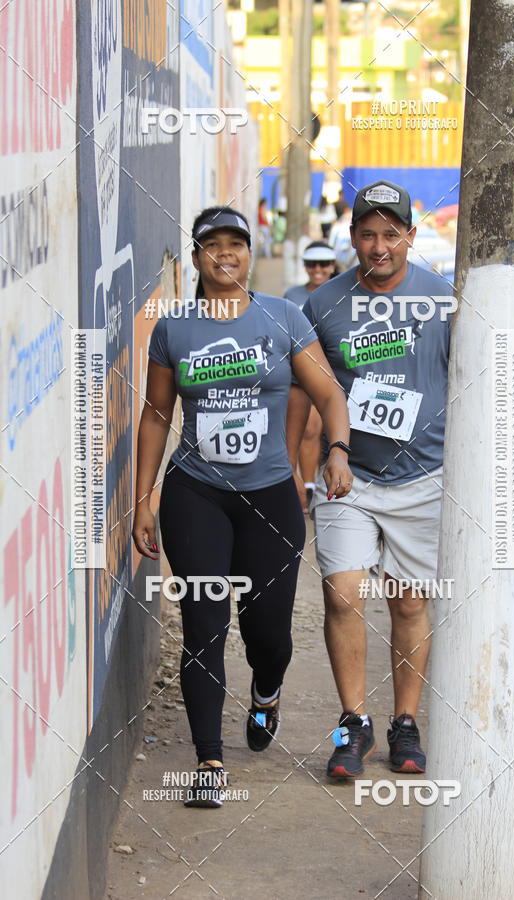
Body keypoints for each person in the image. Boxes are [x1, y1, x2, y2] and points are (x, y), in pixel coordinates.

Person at [132, 205, 352, 807]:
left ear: (249, 252)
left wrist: (336, 450)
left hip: (270, 497)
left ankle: (265, 692)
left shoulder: (281, 319)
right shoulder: (174, 329)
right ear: (196, 256)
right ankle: (209, 760)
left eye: (236, 243)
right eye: (212, 245)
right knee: (204, 625)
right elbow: (156, 415)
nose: (224, 254)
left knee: (269, 633)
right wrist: (142, 498)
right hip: (195, 493)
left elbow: (329, 391)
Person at [287, 180, 454, 779]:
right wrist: (294, 472)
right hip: (346, 475)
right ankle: (352, 722)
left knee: (409, 604)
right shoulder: (322, 304)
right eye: (367, 234)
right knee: (342, 594)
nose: (378, 246)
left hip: (424, 478)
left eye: (391, 234)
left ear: (409, 236)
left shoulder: (444, 300)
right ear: (351, 236)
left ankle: (405, 723)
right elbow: (302, 397)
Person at [284, 242, 338, 508]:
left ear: (333, 266)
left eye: (324, 264)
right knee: (309, 428)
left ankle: (319, 483)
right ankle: (306, 490)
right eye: (311, 264)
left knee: (329, 431)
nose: (318, 270)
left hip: (336, 371)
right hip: (302, 371)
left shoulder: (342, 293)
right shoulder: (291, 295)